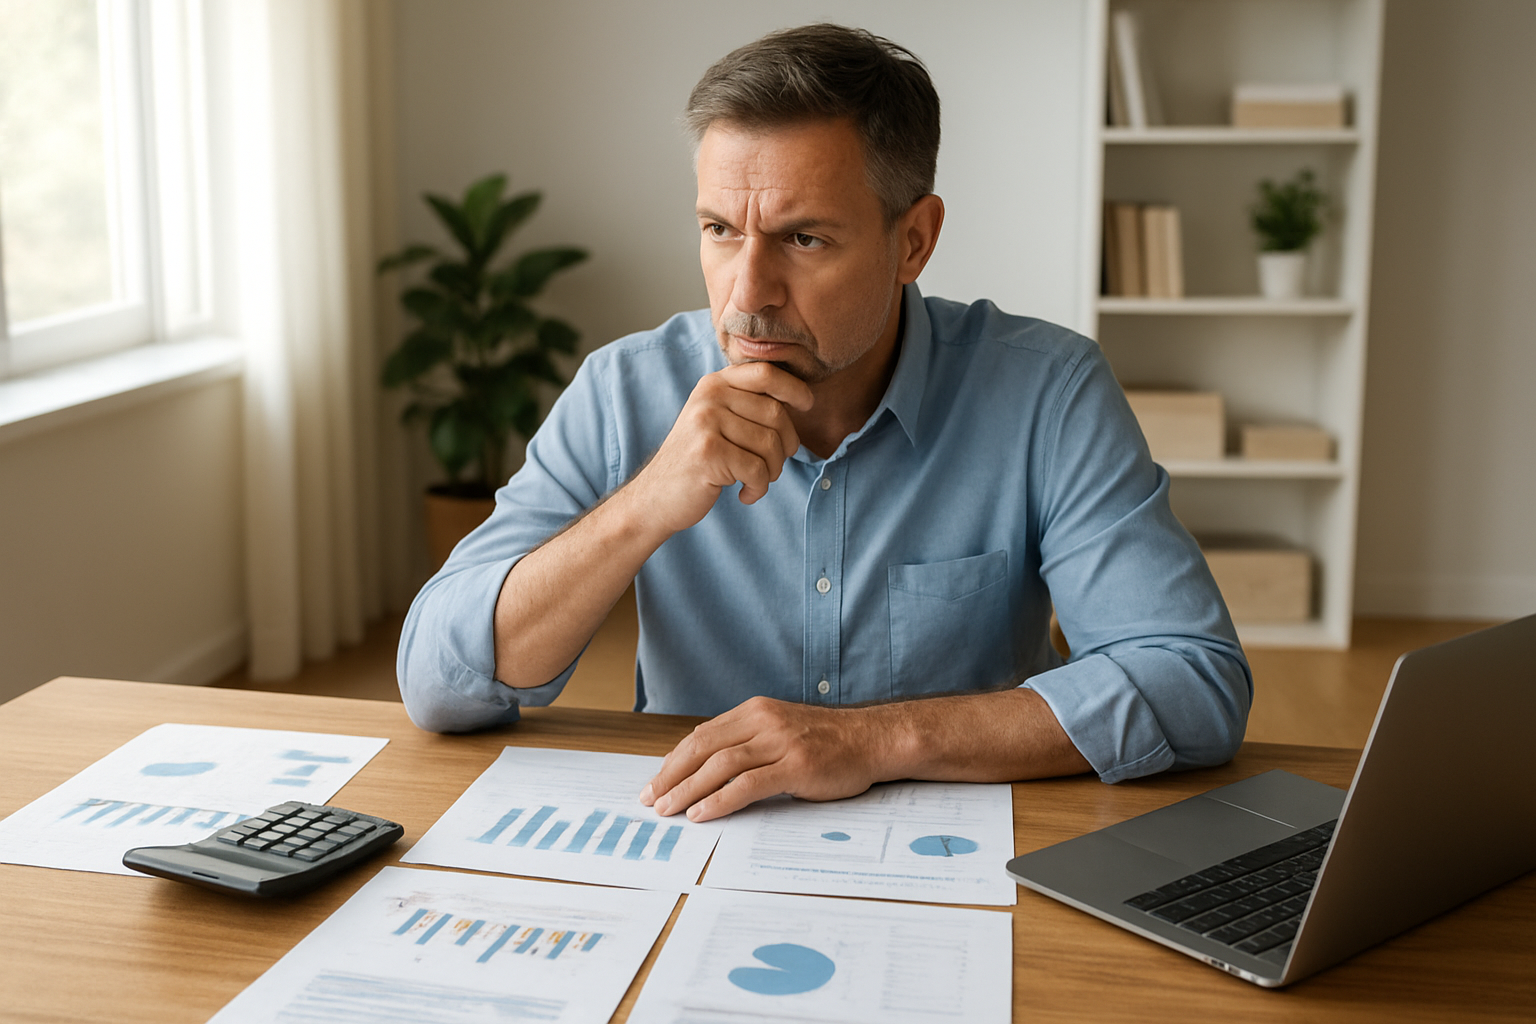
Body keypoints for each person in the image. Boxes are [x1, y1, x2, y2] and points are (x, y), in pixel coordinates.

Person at [397, 23, 1251, 823]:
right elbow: (440, 680)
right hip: (695, 844)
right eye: (720, 230)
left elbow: (1192, 680)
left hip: (962, 855)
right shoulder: (624, 390)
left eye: (803, 240)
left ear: (914, 240)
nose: (746, 295)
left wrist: (878, 739)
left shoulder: (1046, 392)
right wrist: (648, 501)